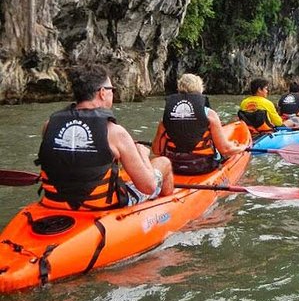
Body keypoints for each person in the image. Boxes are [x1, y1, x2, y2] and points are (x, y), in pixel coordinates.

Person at [36, 64, 174, 210]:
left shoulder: (49, 125)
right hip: (98, 207)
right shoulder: (115, 132)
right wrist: (142, 155)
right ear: (102, 92)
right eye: (111, 90)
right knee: (164, 162)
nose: (112, 93)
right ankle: (171, 209)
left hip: (54, 204)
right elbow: (148, 186)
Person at [152, 73, 248, 174]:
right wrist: (242, 148)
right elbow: (225, 149)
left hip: (174, 167)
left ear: (179, 89)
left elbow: (156, 150)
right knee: (228, 153)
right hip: (203, 166)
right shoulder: (209, 115)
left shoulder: (167, 116)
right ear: (200, 89)